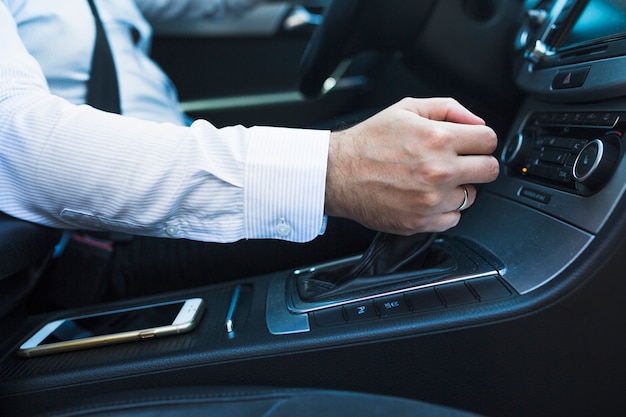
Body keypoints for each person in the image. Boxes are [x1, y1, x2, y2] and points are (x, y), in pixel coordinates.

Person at [0, 0, 499, 306]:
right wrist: (336, 172)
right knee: (454, 177)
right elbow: (19, 147)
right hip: (103, 242)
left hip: (159, 199)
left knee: (436, 156)